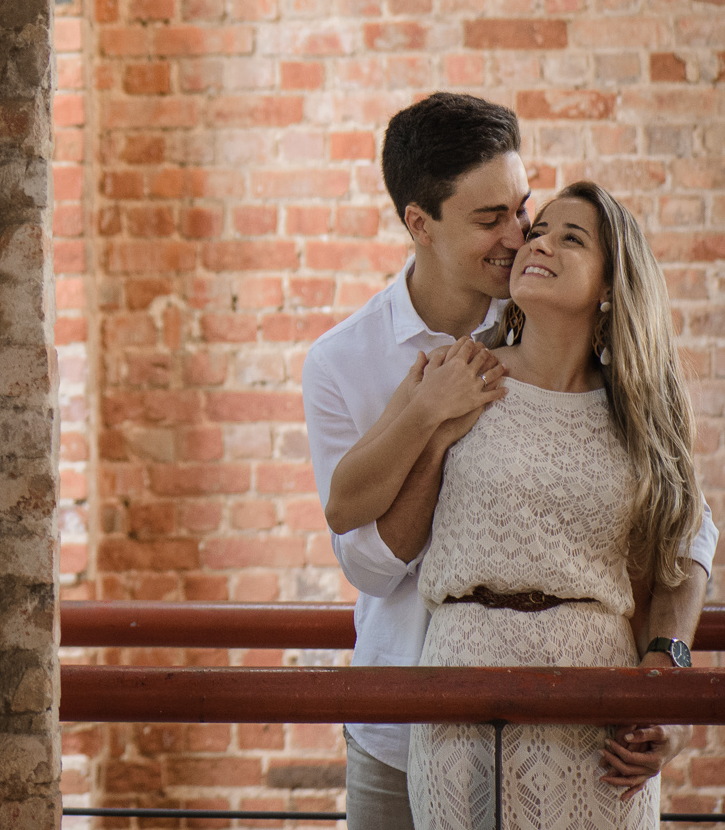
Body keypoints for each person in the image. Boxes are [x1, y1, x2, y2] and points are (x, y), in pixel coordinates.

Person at [300, 94, 716, 830]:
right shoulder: (366, 362)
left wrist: (667, 676)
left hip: (590, 715)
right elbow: (363, 552)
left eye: (524, 210)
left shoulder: (620, 384)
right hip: (414, 712)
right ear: (419, 225)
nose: (523, 237)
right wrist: (433, 416)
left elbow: (684, 534)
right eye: (495, 220)